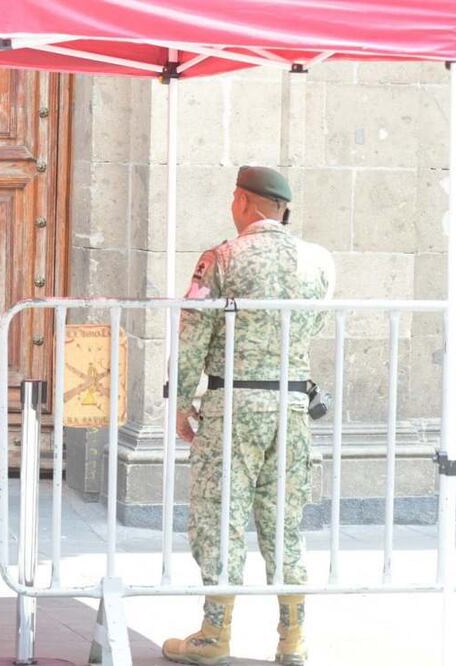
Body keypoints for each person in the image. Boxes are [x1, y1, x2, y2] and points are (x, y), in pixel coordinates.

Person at [163, 166, 334, 666]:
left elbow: (193, 331)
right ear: (283, 208)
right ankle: (291, 638)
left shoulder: (221, 257)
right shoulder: (318, 261)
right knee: (285, 519)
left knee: (221, 515)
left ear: (241, 200)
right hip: (293, 404)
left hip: (234, 405)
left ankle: (214, 635)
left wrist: (179, 401)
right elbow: (316, 323)